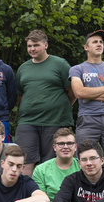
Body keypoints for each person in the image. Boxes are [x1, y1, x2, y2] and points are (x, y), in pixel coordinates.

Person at [15, 29, 74, 176]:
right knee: (24, 160)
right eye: (29, 46)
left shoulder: (60, 64)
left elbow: (72, 91)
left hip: (54, 120)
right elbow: (20, 95)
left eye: (36, 45)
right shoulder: (23, 68)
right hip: (27, 121)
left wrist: (61, 107)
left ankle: (52, 197)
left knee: (52, 161)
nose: (32, 49)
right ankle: (27, 197)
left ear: (45, 45)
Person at [70, 30, 104, 172]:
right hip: (88, 120)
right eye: (95, 42)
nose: (99, 44)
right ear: (86, 47)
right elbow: (79, 92)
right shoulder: (77, 69)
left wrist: (89, 94)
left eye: (101, 42)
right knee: (84, 160)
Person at [32, 128, 80, 202]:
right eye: (61, 143)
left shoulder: (83, 167)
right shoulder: (41, 169)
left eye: (70, 143)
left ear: (75, 147)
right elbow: (40, 200)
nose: (66, 147)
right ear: (54, 147)